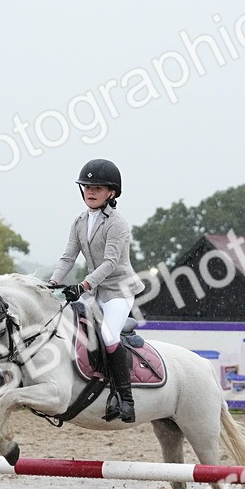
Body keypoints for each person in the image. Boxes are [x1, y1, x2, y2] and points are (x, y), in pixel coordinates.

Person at [47, 159, 145, 423]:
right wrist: (52, 283)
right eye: (87, 187)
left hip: (118, 290)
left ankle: (126, 400)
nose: (90, 191)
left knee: (109, 336)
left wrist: (83, 286)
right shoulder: (79, 221)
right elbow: (68, 257)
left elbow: (110, 263)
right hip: (94, 291)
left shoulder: (117, 224)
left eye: (97, 188)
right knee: (72, 329)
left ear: (111, 193)